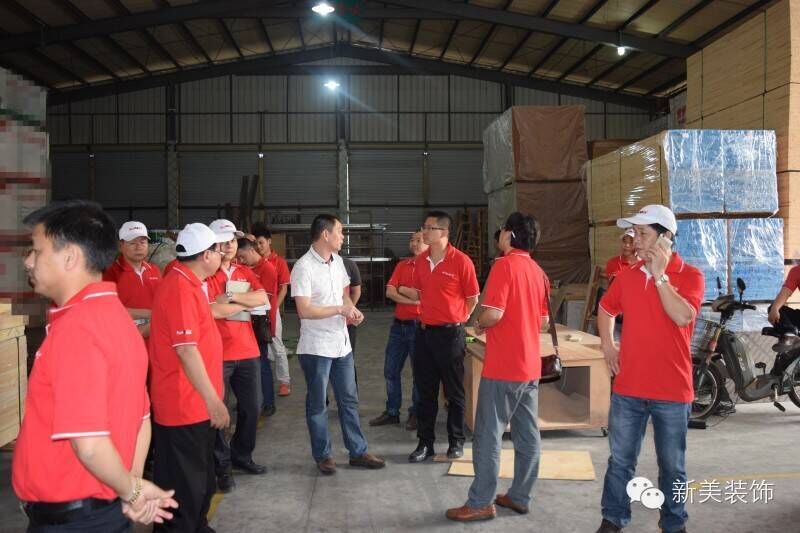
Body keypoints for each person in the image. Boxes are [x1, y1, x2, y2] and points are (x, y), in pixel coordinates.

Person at [14, 200, 177, 532]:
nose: (28, 261)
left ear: (70, 257)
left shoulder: (77, 328)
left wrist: (131, 492)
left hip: (73, 520)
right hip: (101, 511)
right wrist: (130, 484)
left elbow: (89, 445)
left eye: (36, 251)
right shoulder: (117, 319)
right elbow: (141, 419)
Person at [595, 205, 704, 533]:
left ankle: (674, 523)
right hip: (628, 388)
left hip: (672, 390)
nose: (635, 240)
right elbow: (605, 308)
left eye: (642, 233)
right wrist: (608, 345)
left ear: (665, 237)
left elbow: (682, 316)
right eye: (634, 233)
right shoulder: (626, 277)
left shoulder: (691, 275)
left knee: (672, 467)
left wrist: (659, 276)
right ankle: (612, 519)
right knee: (620, 462)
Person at [447, 212, 548, 522]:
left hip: (504, 366)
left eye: (503, 230)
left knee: (488, 435)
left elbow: (494, 314)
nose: (500, 234)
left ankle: (480, 501)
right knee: (527, 434)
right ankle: (520, 496)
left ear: (510, 235)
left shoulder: (504, 266)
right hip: (530, 366)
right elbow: (544, 321)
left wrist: (478, 323)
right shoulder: (538, 271)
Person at [149, 223, 230, 532]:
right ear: (206, 255)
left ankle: (198, 526)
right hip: (183, 405)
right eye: (218, 250)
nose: (222, 255)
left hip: (194, 404)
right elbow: (185, 350)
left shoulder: (190, 283)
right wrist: (214, 401)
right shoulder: (180, 288)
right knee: (184, 485)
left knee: (200, 480)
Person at [290, 214, 385, 475]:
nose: (343, 237)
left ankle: (358, 451)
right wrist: (339, 310)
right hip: (316, 347)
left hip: (341, 345)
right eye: (340, 232)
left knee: (349, 399)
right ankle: (323, 455)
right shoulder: (303, 267)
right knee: (318, 403)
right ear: (325, 234)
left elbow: (344, 296)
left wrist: (351, 310)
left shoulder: (339, 262)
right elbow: (304, 310)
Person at [408, 211, 480, 463]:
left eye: (430, 228)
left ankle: (456, 441)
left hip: (451, 335)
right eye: (424, 227)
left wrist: (459, 319)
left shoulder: (461, 261)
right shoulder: (420, 262)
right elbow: (421, 293)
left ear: (444, 232)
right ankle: (425, 443)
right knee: (425, 392)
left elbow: (472, 298)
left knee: (454, 392)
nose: (424, 232)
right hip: (424, 334)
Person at [206, 219, 269, 494]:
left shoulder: (244, 271)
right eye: (223, 240)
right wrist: (243, 301)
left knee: (253, 406)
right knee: (220, 413)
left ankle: (241, 455)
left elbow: (262, 299)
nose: (230, 245)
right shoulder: (206, 274)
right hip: (217, 352)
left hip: (247, 350)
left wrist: (229, 299)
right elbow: (211, 310)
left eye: (232, 240)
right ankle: (221, 467)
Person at [369, 231, 427, 431]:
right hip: (398, 327)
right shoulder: (402, 265)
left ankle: (416, 413)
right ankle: (392, 411)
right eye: (412, 240)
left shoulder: (431, 268)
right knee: (390, 370)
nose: (414, 243)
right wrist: (413, 299)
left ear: (429, 244)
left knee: (419, 373)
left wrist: (402, 289)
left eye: (419, 240)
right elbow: (390, 292)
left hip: (419, 327)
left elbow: (425, 296)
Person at [236, 238, 279, 417]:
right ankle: (250, 401)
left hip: (260, 323)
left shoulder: (268, 269)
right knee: (247, 366)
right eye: (238, 258)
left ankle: (268, 402)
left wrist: (240, 299)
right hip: (245, 322)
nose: (240, 260)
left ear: (251, 250)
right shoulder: (244, 268)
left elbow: (263, 300)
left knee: (262, 363)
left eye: (242, 256)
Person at [252, 224, 292, 397]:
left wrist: (273, 307)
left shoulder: (279, 262)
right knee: (259, 347)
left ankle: (284, 382)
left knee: (277, 345)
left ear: (269, 241)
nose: (258, 247)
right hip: (253, 311)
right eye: (255, 244)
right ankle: (261, 381)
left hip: (271, 310)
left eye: (261, 243)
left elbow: (283, 288)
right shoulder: (251, 262)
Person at [103, 221, 162, 338]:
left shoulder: (154, 270)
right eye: (132, 243)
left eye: (143, 242)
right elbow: (107, 309)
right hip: (124, 337)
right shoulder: (110, 273)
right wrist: (150, 314)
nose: (138, 247)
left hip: (154, 339)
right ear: (120, 246)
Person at [341, 256, 362, 385]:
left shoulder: (348, 265)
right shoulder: (311, 265)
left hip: (347, 325)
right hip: (324, 325)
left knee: (348, 360)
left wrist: (350, 311)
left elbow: (355, 291)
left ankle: (352, 394)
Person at [768, 264, 800, 330]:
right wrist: (775, 308)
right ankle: (790, 332)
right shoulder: (797, 270)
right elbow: (786, 291)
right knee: (774, 308)